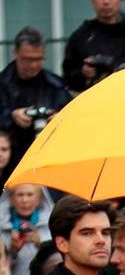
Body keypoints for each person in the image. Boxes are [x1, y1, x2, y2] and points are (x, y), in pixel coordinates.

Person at [0, 27, 71, 171]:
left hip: (48, 157)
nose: (33, 65)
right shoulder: (2, 84)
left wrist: (58, 119)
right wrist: (11, 116)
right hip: (11, 160)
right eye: (28, 59)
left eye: (38, 59)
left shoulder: (56, 85)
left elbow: (71, 118)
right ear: (15, 54)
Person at [62, 0, 125, 92]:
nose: (106, 1)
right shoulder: (81, 36)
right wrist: (83, 73)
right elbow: (68, 78)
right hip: (94, 99)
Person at [0, 184, 53, 275]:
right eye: (20, 195)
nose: (24, 200)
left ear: (39, 199)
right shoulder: (2, 226)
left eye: (30, 195)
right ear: (11, 199)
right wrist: (13, 250)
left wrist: (41, 243)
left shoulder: (50, 224)